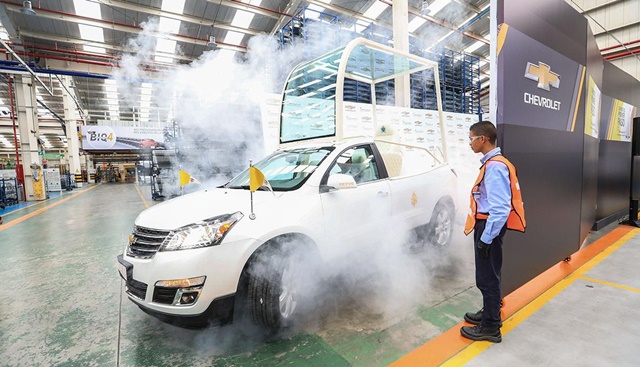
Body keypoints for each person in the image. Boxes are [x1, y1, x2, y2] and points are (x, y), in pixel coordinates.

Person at [461, 121, 526, 343]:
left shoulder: (495, 166)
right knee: (490, 275)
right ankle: (489, 313)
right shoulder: (494, 163)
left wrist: (486, 239)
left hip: (489, 227)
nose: (469, 143)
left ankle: (490, 326)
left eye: (471, 139)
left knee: (487, 278)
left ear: (483, 139)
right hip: (489, 226)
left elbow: (500, 208)